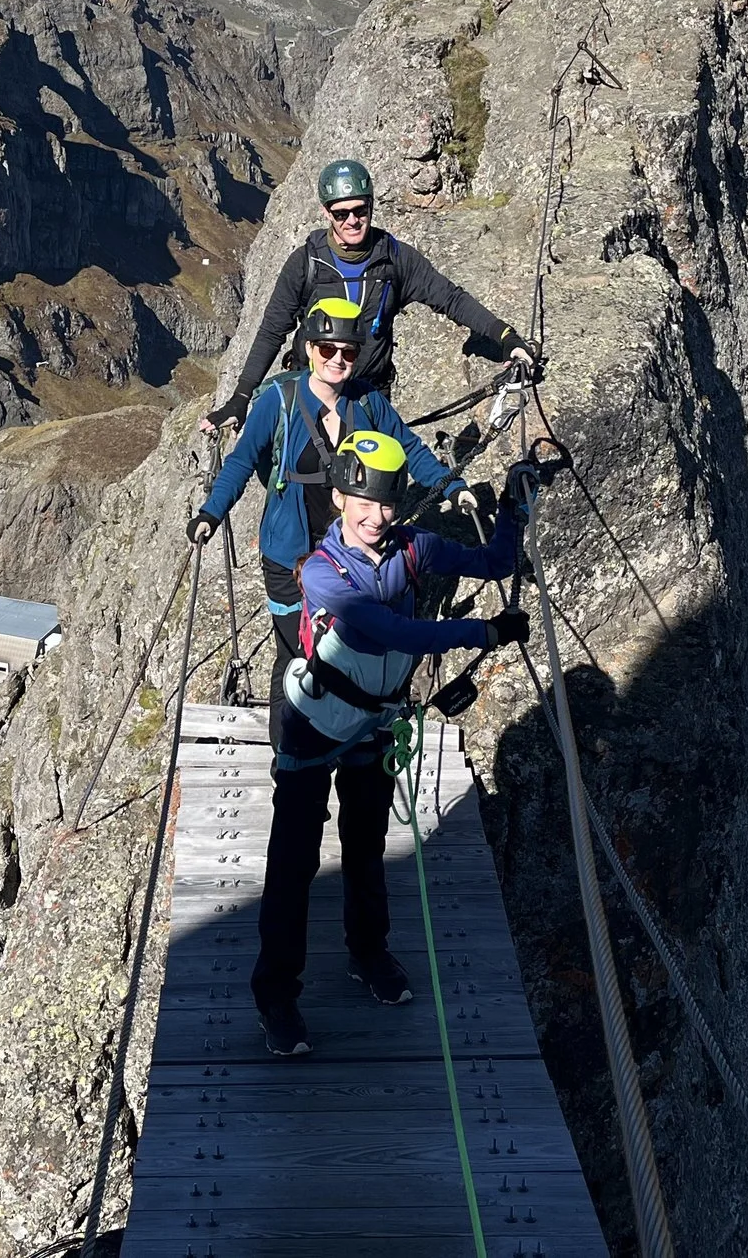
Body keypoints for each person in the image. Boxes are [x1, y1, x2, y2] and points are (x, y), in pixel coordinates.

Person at [248, 429, 530, 1057]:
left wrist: (511, 506)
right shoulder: (321, 576)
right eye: (362, 501)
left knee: (366, 843)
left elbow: (492, 563)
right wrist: (482, 630)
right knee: (292, 860)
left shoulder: (411, 548)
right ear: (341, 496)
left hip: (369, 721)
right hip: (311, 725)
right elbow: (390, 631)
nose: (376, 516)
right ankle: (276, 994)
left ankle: (368, 953)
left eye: (387, 502)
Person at [191, 297, 460, 722]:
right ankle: (291, 755)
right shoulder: (279, 401)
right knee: (298, 651)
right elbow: (242, 461)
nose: (337, 358)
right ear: (310, 348)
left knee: (347, 650)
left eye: (348, 351)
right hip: (288, 555)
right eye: (327, 348)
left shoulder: (369, 404)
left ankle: (340, 741)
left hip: (350, 556)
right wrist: (211, 513)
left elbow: (408, 449)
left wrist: (451, 487)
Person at [201, 158, 534, 429]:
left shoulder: (395, 259)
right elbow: (272, 331)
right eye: (341, 213)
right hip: (312, 395)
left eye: (360, 210)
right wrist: (241, 397)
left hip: (369, 398)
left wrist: (505, 337)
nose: (352, 220)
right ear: (326, 212)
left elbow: (451, 299)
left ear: (372, 206)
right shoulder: (306, 264)